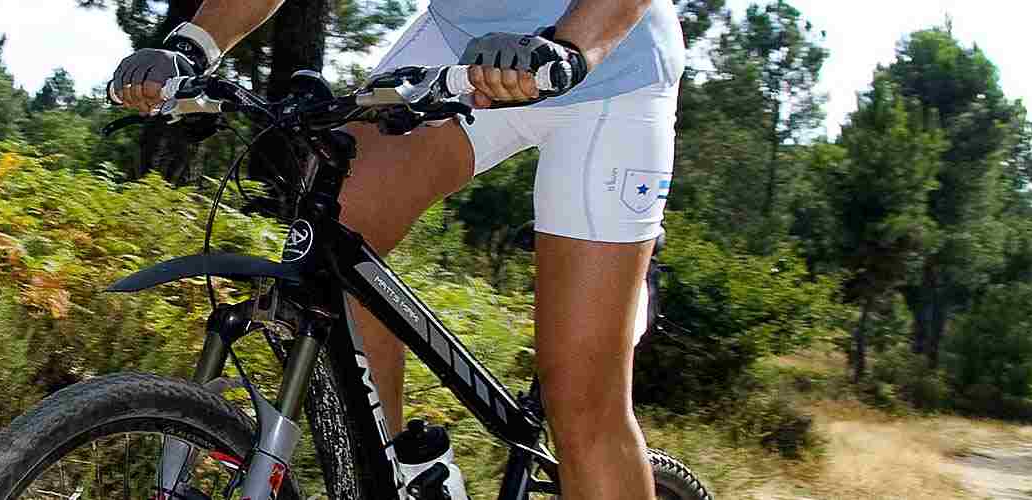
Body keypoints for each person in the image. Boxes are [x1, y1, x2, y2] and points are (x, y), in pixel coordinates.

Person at [109, 1, 684, 499]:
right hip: (466, 49)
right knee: (333, 238)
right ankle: (398, 473)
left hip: (609, 69)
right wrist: (191, 46)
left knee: (583, 402)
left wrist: (571, 48)